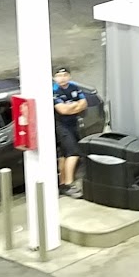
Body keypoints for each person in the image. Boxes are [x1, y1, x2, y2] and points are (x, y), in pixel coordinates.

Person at [52, 65, 88, 197]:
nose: (62, 78)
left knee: (64, 155)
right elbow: (63, 110)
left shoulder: (74, 87)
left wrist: (72, 107)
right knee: (73, 153)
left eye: (65, 75)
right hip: (61, 126)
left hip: (73, 124)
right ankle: (68, 184)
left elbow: (84, 104)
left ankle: (62, 184)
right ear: (54, 78)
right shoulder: (54, 90)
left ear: (69, 76)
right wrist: (75, 105)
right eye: (59, 76)